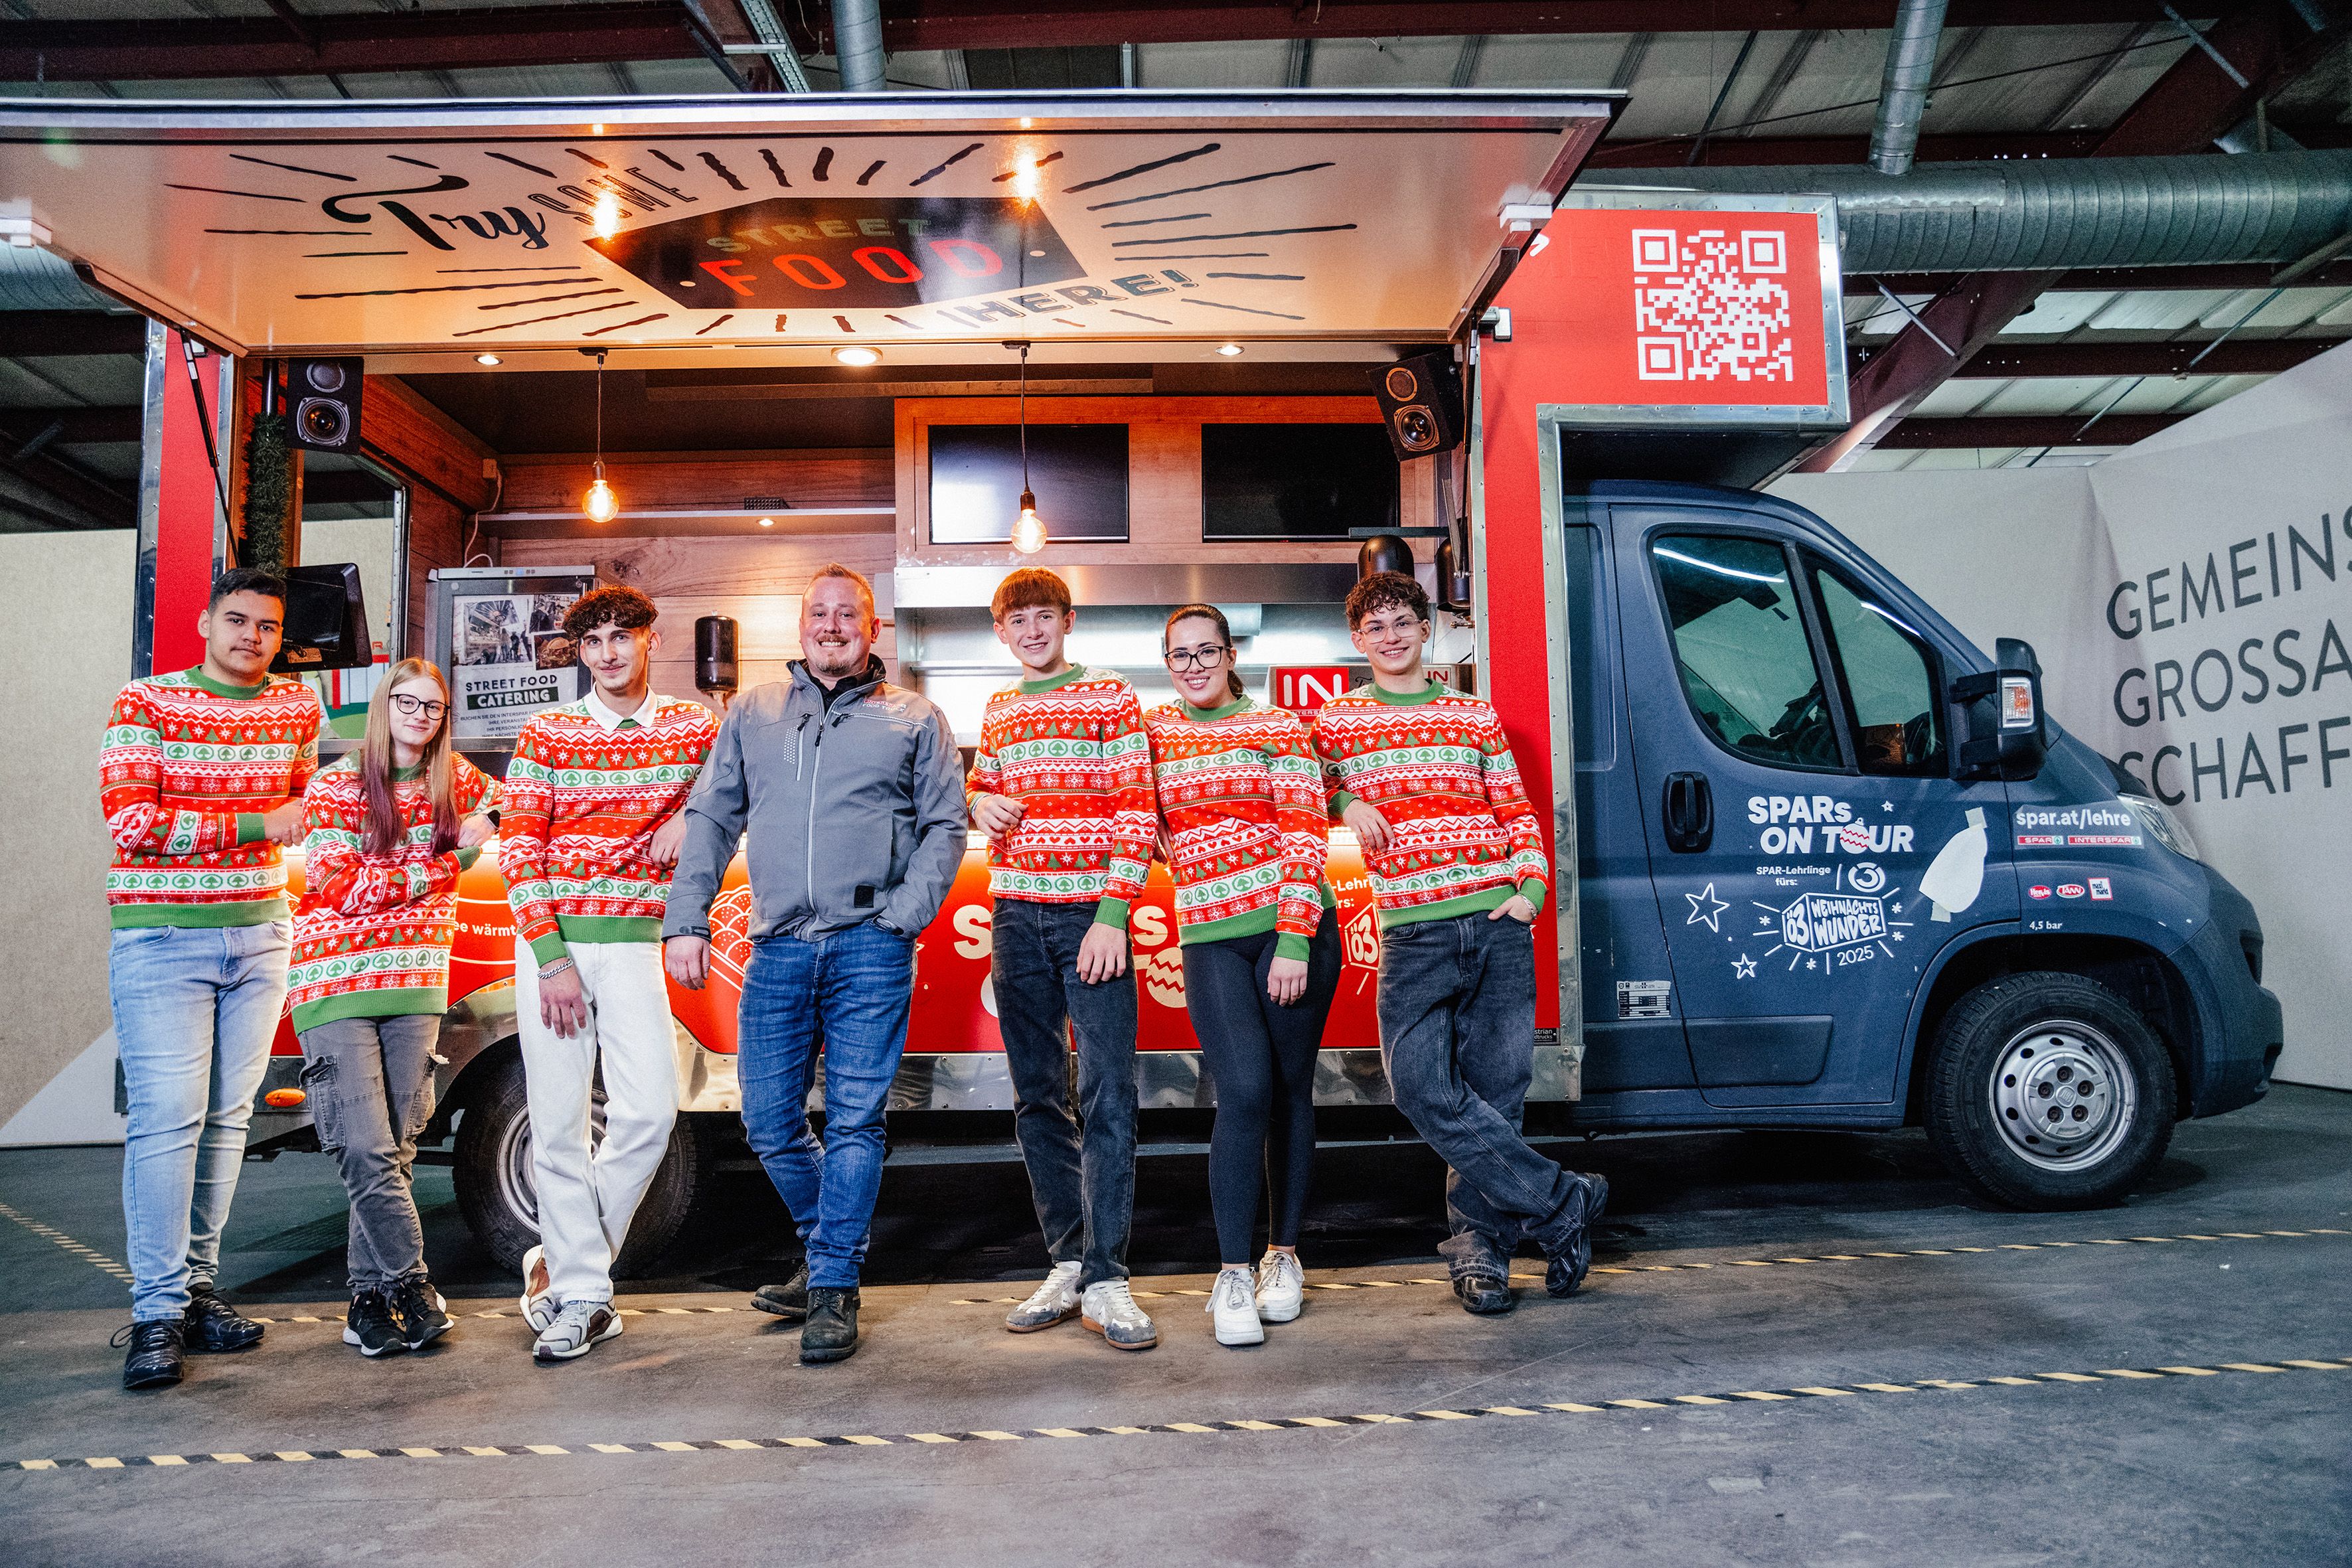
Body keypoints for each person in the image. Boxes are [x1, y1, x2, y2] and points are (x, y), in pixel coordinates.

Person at [664, 564, 964, 1365]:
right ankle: (826, 1247)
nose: (833, 626)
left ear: (873, 632)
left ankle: (833, 1285)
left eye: (848, 615)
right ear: (801, 629)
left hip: (871, 944)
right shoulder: (755, 713)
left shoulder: (914, 718)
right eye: (820, 614)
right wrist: (684, 917)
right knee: (767, 1119)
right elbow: (712, 815)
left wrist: (902, 918)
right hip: (778, 946)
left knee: (858, 1119)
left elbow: (946, 827)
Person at [1311, 571, 1607, 1316]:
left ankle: (1482, 1257)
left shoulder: (1471, 715)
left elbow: (1515, 813)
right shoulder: (1336, 723)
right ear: (1358, 640)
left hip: (1497, 921)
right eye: (1376, 627)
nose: (1391, 636)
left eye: (1403, 621)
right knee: (1419, 1087)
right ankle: (1562, 1200)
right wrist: (1347, 797)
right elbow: (1297, 783)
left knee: (1494, 1101)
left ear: (1425, 629)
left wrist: (1530, 893)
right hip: (1414, 931)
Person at [100, 567, 319, 1390]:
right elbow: (132, 822)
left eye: (267, 626)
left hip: (261, 933)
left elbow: (308, 805)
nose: (251, 637)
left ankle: (194, 1290)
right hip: (162, 939)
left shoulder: (297, 707)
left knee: (228, 1119)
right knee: (168, 1121)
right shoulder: (145, 702)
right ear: (204, 623)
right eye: (237, 620)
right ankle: (155, 1312)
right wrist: (258, 824)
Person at [499, 585, 716, 1362]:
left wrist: (694, 817)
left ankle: (562, 1265)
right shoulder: (549, 731)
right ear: (581, 653)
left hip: (637, 942)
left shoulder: (693, 726)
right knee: (555, 1126)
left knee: (651, 1113)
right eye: (595, 642)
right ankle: (586, 1296)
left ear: (649, 638)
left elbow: (736, 798)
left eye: (623, 636)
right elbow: (520, 848)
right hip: (554, 946)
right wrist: (549, 954)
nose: (610, 652)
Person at [966, 568, 1160, 1351]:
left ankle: (1109, 1275)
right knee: (1037, 1094)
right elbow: (984, 784)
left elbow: (1136, 807)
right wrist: (977, 798)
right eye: (1019, 622)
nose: (1033, 631)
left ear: (1068, 620)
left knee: (1111, 1091)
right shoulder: (1002, 707)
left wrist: (1113, 914)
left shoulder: (1111, 696)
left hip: (1091, 915)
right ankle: (1067, 1260)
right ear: (1002, 633)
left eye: (1045, 616)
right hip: (1015, 912)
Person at [1141, 605, 1342, 1348]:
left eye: (1207, 652)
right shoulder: (1154, 733)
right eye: (1180, 655)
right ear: (1167, 661)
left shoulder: (1281, 728)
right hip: (1211, 935)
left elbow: (1303, 827)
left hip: (1295, 934)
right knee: (1244, 1090)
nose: (1194, 666)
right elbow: (1137, 814)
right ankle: (1230, 1272)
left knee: (1291, 1089)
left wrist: (1294, 937)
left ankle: (1282, 1257)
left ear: (1231, 655)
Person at [287, 659, 495, 1358]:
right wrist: (446, 861)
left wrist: (487, 820)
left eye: (434, 707)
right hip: (337, 985)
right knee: (367, 1149)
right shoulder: (338, 783)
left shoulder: (456, 779)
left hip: (416, 986)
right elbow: (342, 887)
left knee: (396, 1148)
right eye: (407, 701)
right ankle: (411, 1283)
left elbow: (518, 799)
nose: (420, 715)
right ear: (385, 705)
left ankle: (367, 1301)